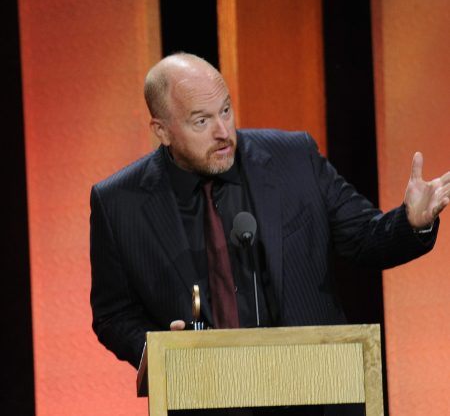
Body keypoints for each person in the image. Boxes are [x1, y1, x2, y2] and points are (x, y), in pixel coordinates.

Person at [90, 53, 449, 415]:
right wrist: (159, 352)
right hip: (206, 399)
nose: (223, 132)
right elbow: (112, 314)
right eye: (201, 121)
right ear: (162, 130)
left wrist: (411, 222)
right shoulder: (119, 202)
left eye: (226, 111)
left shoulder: (294, 159)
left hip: (317, 396)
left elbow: (365, 238)